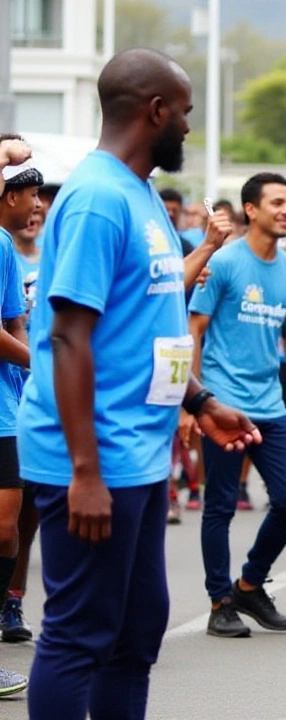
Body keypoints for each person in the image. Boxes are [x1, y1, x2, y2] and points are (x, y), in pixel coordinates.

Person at [15, 48, 259, 719]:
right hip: (96, 459)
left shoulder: (141, 193)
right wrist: (83, 471)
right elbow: (67, 336)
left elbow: (144, 328)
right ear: (155, 111)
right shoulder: (97, 199)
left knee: (137, 630)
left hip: (141, 453)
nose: (186, 126)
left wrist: (201, 402)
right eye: (182, 112)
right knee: (79, 636)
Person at [187, 172, 286, 638]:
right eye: (276, 202)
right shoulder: (222, 262)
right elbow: (194, 330)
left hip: (269, 402)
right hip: (221, 400)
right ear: (251, 210)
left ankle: (249, 584)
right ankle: (220, 601)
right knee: (219, 504)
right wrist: (192, 403)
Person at [0, 140, 35, 698]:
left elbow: (14, 322)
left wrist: (34, 384)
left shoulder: (5, 246)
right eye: (27, 192)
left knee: (6, 529)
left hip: (7, 413)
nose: (35, 203)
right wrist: (49, 363)